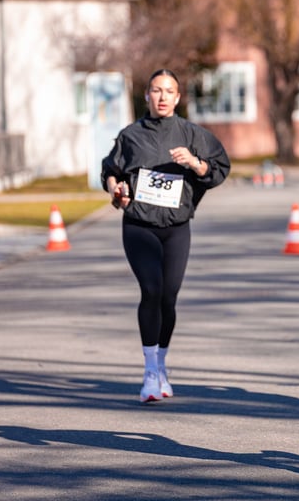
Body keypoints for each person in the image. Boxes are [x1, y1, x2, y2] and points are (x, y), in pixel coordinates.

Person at [101, 69, 230, 403]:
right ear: (146, 95)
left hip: (176, 227)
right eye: (156, 90)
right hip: (139, 225)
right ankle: (149, 372)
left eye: (169, 91)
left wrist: (195, 163)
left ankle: (160, 364)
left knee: (169, 297)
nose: (162, 97)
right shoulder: (131, 135)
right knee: (152, 290)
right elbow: (110, 171)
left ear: (178, 97)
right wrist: (116, 190)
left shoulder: (192, 134)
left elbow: (218, 169)